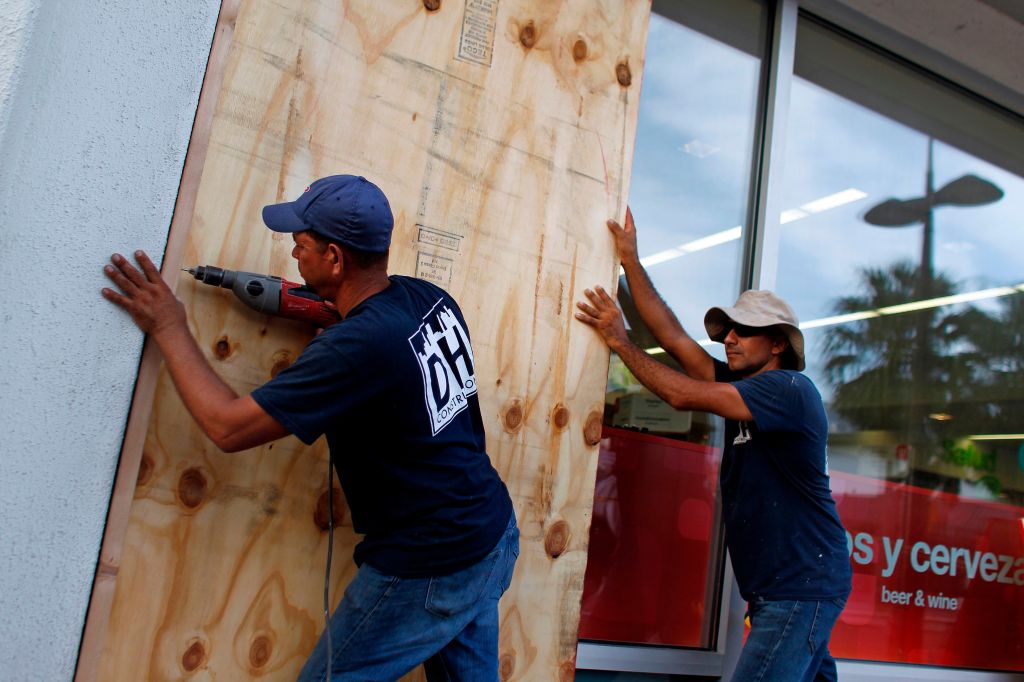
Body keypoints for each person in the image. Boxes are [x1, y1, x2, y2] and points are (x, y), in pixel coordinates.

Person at [101, 174, 518, 682]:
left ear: (336, 258)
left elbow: (227, 428)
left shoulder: (355, 348)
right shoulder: (429, 297)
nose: (294, 257)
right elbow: (396, 373)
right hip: (490, 533)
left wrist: (169, 325)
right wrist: (341, 322)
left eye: (301, 246)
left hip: (430, 566)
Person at [574, 208, 851, 682]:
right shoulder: (744, 386)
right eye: (727, 331)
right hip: (784, 588)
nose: (730, 339)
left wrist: (620, 342)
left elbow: (682, 394)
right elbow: (673, 336)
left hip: (799, 588)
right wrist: (631, 262)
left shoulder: (788, 391)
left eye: (743, 331)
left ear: (779, 344)